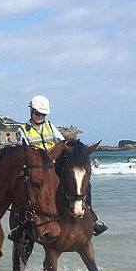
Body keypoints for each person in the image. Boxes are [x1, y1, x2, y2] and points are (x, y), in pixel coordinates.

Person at [15, 95, 107, 237]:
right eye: (37, 113)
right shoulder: (22, 130)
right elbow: (23, 151)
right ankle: (21, 226)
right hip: (37, 169)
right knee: (25, 188)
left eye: (42, 114)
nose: (39, 116)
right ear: (31, 111)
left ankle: (92, 216)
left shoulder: (50, 126)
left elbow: (62, 143)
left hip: (54, 166)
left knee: (84, 184)